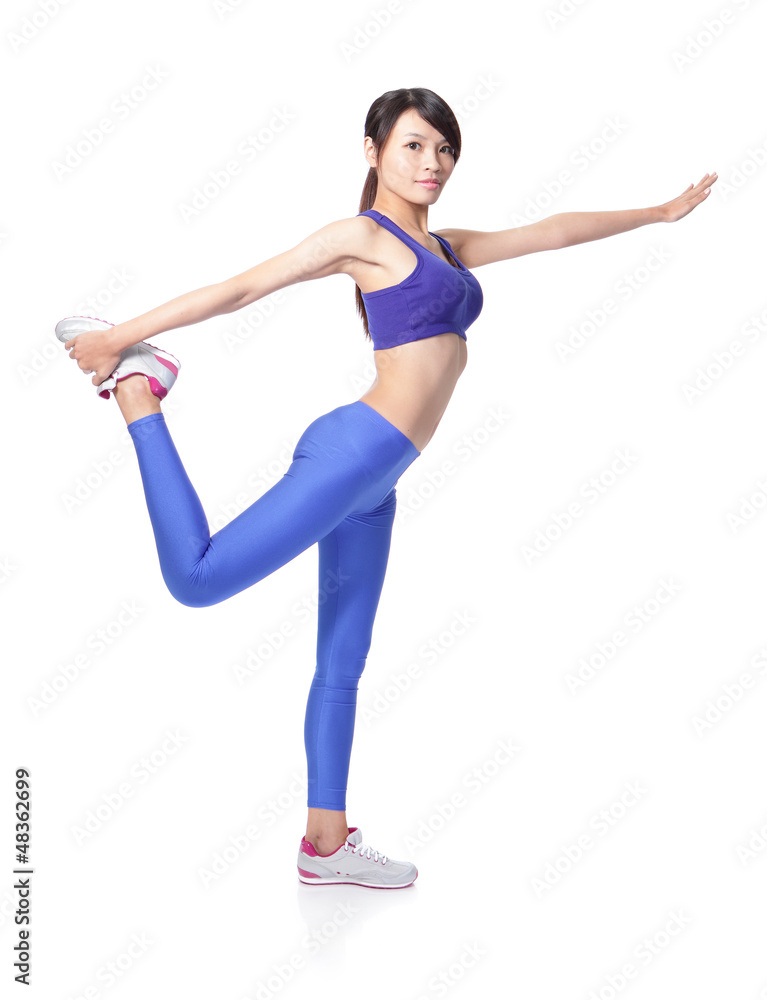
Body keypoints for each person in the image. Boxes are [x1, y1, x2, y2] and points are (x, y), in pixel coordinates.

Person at [56, 87, 717, 889]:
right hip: (353, 451)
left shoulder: (443, 247)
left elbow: (548, 233)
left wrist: (654, 214)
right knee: (196, 580)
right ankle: (138, 392)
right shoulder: (359, 238)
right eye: (412, 145)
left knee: (343, 663)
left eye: (442, 148)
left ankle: (324, 845)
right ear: (372, 152)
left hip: (378, 478)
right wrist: (117, 337)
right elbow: (243, 287)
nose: (431, 162)